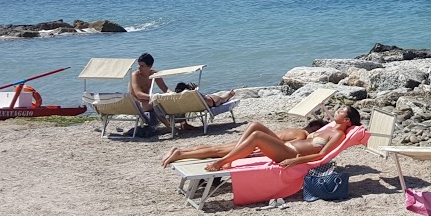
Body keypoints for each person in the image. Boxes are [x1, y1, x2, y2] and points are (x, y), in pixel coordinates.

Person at [162, 106, 361, 171]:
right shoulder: (328, 127)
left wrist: (294, 160)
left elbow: (322, 156)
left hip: (291, 153)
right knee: (255, 126)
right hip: (287, 148)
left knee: (257, 135)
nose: (336, 111)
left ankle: (224, 161)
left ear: (347, 120)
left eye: (341, 111)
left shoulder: (338, 134)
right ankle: (232, 156)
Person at [129, 53, 163, 135]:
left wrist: (173, 94)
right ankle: (168, 126)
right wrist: (154, 97)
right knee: (158, 103)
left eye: (142, 66)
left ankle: (183, 123)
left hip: (147, 101)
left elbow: (165, 89)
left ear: (149, 66)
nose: (139, 68)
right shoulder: (135, 75)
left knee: (169, 102)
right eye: (139, 65)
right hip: (137, 103)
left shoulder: (154, 74)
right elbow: (138, 94)